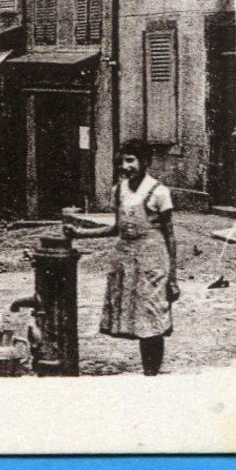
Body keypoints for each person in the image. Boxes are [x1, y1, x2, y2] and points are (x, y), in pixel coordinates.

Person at [66, 141, 179, 376]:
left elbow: (170, 236)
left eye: (131, 160)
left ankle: (152, 375)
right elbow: (115, 228)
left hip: (152, 261)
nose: (125, 166)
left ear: (145, 162)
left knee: (151, 316)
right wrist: (80, 233)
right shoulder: (119, 190)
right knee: (136, 318)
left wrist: (173, 278)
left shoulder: (159, 192)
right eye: (122, 161)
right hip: (125, 260)